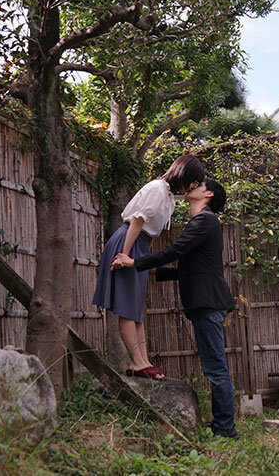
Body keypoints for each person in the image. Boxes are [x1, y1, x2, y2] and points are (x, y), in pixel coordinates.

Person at [112, 178, 238, 439]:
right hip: (207, 303)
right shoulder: (204, 223)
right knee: (214, 366)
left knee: (215, 368)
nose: (192, 187)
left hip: (208, 303)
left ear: (208, 194)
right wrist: (152, 271)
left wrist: (135, 262)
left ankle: (225, 428)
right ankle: (222, 425)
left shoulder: (205, 220)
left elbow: (176, 250)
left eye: (199, 185)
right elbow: (190, 268)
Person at [93, 154, 204, 381]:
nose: (193, 186)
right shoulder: (157, 189)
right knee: (127, 306)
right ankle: (137, 362)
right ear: (184, 174)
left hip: (139, 246)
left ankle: (143, 361)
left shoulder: (168, 197)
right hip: (128, 241)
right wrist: (125, 254)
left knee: (136, 309)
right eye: (193, 181)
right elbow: (137, 221)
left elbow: (152, 234)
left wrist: (145, 259)